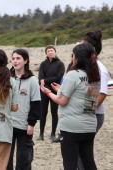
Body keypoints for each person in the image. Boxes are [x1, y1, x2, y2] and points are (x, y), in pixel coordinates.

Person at [41, 43, 100, 170]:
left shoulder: (72, 75)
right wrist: (61, 89)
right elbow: (87, 97)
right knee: (89, 162)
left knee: (70, 164)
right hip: (89, 125)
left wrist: (49, 93)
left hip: (71, 127)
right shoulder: (95, 76)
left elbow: (62, 101)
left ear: (76, 57)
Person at [77, 30, 109, 170]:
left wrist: (88, 110)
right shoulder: (87, 66)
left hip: (93, 115)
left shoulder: (100, 68)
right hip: (85, 114)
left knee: (82, 153)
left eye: (83, 46)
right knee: (80, 152)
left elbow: (101, 93)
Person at [7, 49, 41, 170]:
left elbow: (36, 103)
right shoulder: (7, 78)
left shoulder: (32, 80)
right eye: (13, 58)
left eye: (18, 58)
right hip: (7, 125)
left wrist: (31, 123)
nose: (15, 61)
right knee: (6, 161)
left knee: (24, 161)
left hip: (24, 126)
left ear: (25, 61)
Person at [38, 45, 65, 141]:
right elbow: (40, 77)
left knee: (54, 112)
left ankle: (53, 134)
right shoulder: (43, 64)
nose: (50, 52)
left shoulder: (60, 64)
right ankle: (41, 134)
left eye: (52, 50)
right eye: (48, 51)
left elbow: (58, 77)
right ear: (46, 53)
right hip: (43, 91)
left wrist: (45, 80)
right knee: (43, 112)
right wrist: (43, 81)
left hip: (55, 90)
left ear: (55, 52)